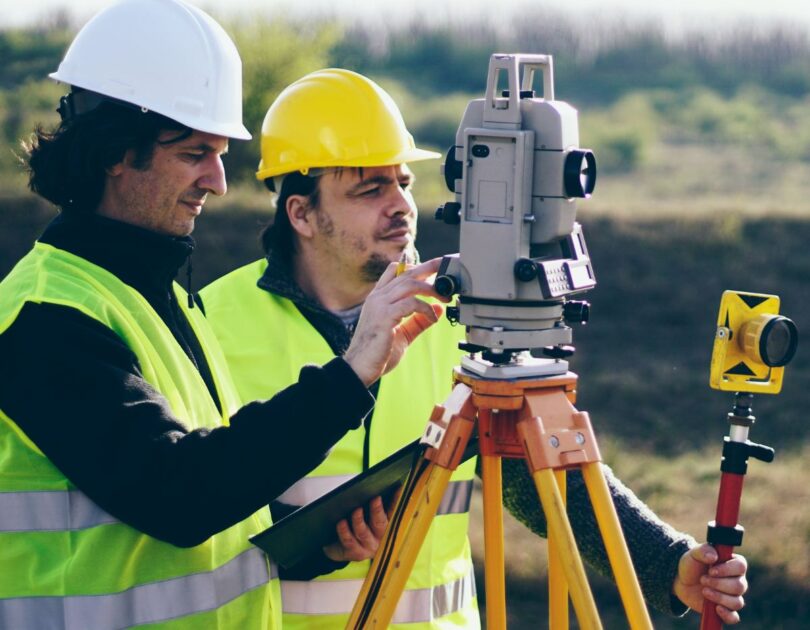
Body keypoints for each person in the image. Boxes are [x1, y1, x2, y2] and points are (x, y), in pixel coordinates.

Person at [200, 68, 749, 628]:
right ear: (301, 213)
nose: (400, 206)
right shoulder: (212, 324)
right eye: (370, 188)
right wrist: (315, 545)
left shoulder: (457, 318)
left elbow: (535, 482)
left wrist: (666, 563)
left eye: (403, 183)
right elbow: (191, 508)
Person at [0, 2, 442, 628]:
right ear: (115, 154)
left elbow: (206, 496)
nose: (218, 181)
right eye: (193, 153)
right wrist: (349, 378)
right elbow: (175, 495)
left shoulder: (165, 301)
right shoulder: (44, 321)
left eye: (220, 153)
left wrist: (311, 541)